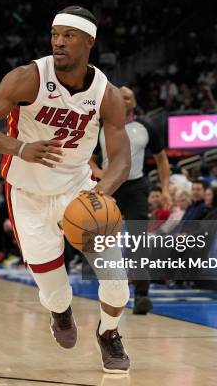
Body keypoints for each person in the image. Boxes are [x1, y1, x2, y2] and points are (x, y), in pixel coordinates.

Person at [0, 5, 132, 373]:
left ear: (89, 42)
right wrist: (20, 148)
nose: (59, 42)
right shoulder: (28, 78)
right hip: (28, 193)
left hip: (79, 189)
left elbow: (120, 159)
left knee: (118, 285)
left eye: (68, 36)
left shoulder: (107, 94)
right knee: (54, 294)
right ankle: (61, 313)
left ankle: (109, 333)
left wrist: (103, 190)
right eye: (55, 35)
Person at [90, 86, 170, 315]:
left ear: (133, 103)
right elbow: (89, 160)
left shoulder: (146, 126)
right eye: (120, 96)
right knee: (103, 241)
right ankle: (108, 291)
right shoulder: (99, 126)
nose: (123, 100)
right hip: (109, 186)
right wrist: (101, 174)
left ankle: (142, 295)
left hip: (136, 186)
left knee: (138, 240)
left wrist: (165, 189)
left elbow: (162, 160)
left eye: (128, 97)